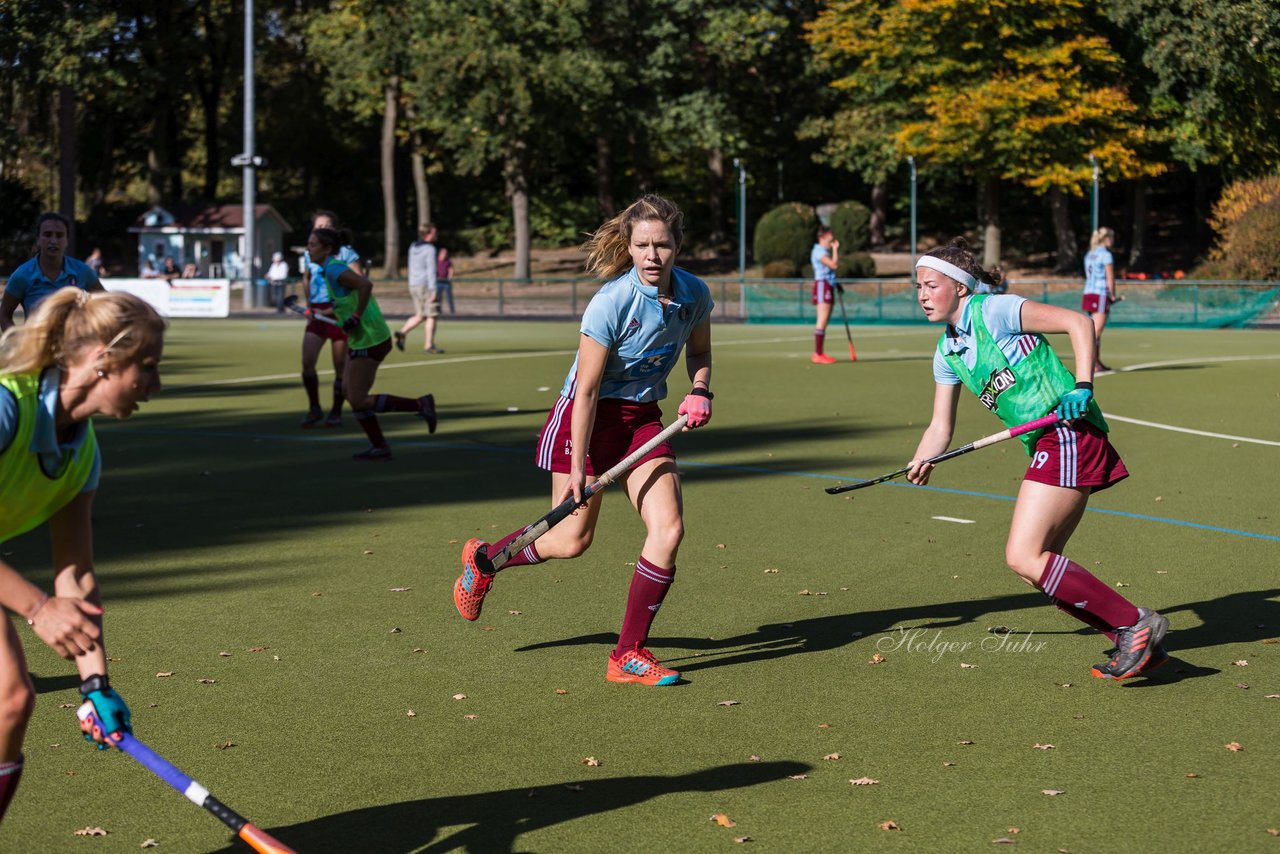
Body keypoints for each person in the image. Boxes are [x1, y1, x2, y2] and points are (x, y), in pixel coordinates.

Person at [451, 194, 714, 687]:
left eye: (662, 245)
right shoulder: (611, 303)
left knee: (669, 529)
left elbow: (699, 353)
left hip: (642, 419)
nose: (652, 256)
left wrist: (699, 388)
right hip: (585, 420)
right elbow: (587, 390)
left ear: (678, 245)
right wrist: (577, 470)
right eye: (642, 246)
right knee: (571, 540)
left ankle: (627, 654)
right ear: (629, 246)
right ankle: (485, 561)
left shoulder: (695, 295)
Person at [906, 238, 1168, 681]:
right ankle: (1134, 639)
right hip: (1048, 443)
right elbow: (939, 428)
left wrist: (1082, 386)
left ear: (962, 288)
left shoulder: (996, 311)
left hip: (1067, 431)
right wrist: (920, 459)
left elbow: (1078, 322)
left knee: (1023, 555)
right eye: (918, 287)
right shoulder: (946, 353)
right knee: (1038, 568)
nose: (922, 295)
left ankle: (1135, 623)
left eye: (931, 285)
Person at [0, 288, 166, 825]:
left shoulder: (82, 451)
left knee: (11, 700)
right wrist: (37, 608)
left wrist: (96, 684)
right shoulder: (7, 407)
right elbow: (51, 601)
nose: (156, 385)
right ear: (103, 361)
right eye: (147, 367)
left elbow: (74, 573)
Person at [307, 226, 437, 460]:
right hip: (361, 339)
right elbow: (345, 300)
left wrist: (355, 316)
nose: (308, 249)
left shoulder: (335, 269)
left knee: (358, 398)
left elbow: (365, 285)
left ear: (327, 249)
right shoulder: (328, 271)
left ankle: (420, 405)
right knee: (349, 392)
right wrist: (326, 311)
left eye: (313, 245)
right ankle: (379, 446)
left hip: (371, 337)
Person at [299, 210, 359, 428]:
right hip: (317, 311)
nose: (321, 230)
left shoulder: (346, 253)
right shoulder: (310, 253)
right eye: (318, 227)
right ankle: (314, 408)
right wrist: (309, 304)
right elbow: (306, 278)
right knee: (307, 362)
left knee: (340, 366)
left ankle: (336, 411)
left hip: (339, 313)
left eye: (325, 226)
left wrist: (338, 307)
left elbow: (359, 283)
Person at [1, 213, 106, 333]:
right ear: (38, 240)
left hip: (75, 349)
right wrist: (19, 343)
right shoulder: (22, 276)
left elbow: (106, 306)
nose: (53, 241)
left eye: (60, 235)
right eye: (47, 234)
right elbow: (4, 316)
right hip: (37, 349)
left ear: (67, 240)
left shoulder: (83, 272)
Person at [394, 224, 443, 353]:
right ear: (428, 234)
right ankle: (429, 345)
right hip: (425, 285)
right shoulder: (430, 249)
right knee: (432, 315)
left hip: (414, 284)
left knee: (421, 315)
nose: (436, 234)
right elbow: (431, 270)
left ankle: (402, 333)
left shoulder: (413, 246)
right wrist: (434, 290)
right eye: (434, 232)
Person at [1082, 227, 1117, 373]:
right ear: (1106, 239)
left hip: (1088, 294)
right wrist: (1112, 294)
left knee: (1094, 330)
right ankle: (1091, 363)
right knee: (1095, 331)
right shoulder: (1105, 255)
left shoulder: (1090, 254)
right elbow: (1110, 277)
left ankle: (1096, 362)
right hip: (1100, 294)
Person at [809, 226, 841, 364]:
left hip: (828, 284)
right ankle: (818, 354)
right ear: (822, 238)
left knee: (825, 320)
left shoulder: (823, 251)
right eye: (830, 239)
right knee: (822, 319)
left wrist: (836, 284)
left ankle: (820, 352)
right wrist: (835, 249)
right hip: (823, 285)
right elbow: (833, 265)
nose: (832, 242)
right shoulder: (819, 251)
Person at [436, 247, 456, 315]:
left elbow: (451, 270)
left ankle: (452, 311)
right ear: (440, 254)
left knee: (449, 297)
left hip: (446, 282)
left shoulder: (448, 261)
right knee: (438, 297)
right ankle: (438, 310)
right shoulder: (436, 260)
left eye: (446, 253)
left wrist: (450, 277)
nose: (445, 255)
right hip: (438, 282)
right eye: (443, 253)